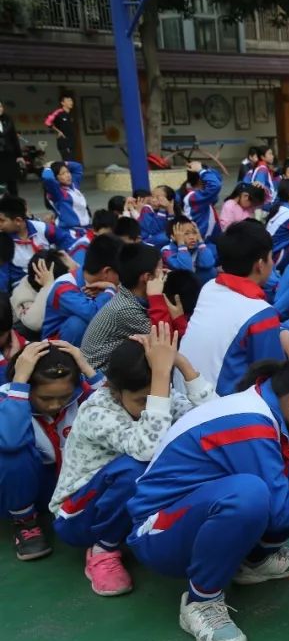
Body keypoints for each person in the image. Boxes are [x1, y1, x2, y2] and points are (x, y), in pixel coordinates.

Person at [127, 350, 289, 641]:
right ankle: (201, 600)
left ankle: (257, 561)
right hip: (158, 534)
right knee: (249, 495)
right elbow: (280, 512)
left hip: (196, 512)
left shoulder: (269, 404)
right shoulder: (250, 423)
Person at [50, 324, 216, 596]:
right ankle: (103, 549)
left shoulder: (158, 395)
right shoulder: (98, 411)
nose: (151, 405)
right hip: (77, 517)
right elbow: (146, 448)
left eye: (156, 395)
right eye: (142, 400)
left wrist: (182, 364)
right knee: (135, 468)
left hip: (122, 504)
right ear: (115, 391)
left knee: (196, 452)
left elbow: (213, 420)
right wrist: (161, 378)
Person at [0, 341, 102, 560]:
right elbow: (9, 441)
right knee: (11, 454)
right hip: (27, 488)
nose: (55, 405)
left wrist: (87, 368)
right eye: (46, 398)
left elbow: (118, 410)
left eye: (63, 397)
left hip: (70, 484)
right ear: (26, 387)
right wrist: (19, 383)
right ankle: (25, 522)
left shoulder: (80, 395)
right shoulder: (8, 398)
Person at [179, 220, 283, 396]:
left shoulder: (210, 287)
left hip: (181, 397)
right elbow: (272, 379)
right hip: (219, 410)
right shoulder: (262, 314)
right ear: (260, 264)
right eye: (271, 257)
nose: (272, 263)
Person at [81, 243, 163, 370]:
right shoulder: (125, 309)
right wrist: (157, 298)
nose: (164, 274)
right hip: (98, 376)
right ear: (147, 277)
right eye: (161, 270)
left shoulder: (128, 295)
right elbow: (162, 337)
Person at [41, 235, 121, 344]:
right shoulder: (63, 287)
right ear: (106, 272)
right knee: (78, 324)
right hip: (54, 349)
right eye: (120, 273)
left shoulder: (87, 273)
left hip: (88, 341)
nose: (122, 278)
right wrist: (110, 291)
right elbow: (95, 315)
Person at [44, 90, 76, 161]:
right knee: (68, 161)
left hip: (71, 142)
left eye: (71, 101)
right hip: (64, 142)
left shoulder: (70, 115)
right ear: (62, 103)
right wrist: (58, 131)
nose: (71, 102)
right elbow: (47, 122)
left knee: (72, 162)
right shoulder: (58, 112)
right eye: (68, 101)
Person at [0, 99, 21, 198]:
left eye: (0, 107)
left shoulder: (8, 119)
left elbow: (14, 138)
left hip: (9, 154)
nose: (0, 109)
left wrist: (19, 155)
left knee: (12, 181)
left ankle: (14, 203)